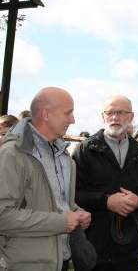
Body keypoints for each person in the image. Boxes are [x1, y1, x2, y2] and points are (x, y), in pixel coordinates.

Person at [0, 87, 91, 271]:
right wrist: (63, 221)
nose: (72, 120)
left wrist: (77, 212)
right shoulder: (12, 155)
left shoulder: (64, 156)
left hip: (60, 261)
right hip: (24, 265)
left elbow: (58, 203)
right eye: (68, 113)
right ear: (46, 114)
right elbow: (3, 216)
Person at [73, 95, 138, 271]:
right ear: (103, 116)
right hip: (94, 245)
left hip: (129, 248)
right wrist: (106, 201)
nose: (114, 117)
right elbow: (73, 193)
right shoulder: (86, 150)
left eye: (120, 112)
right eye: (109, 112)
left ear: (131, 117)